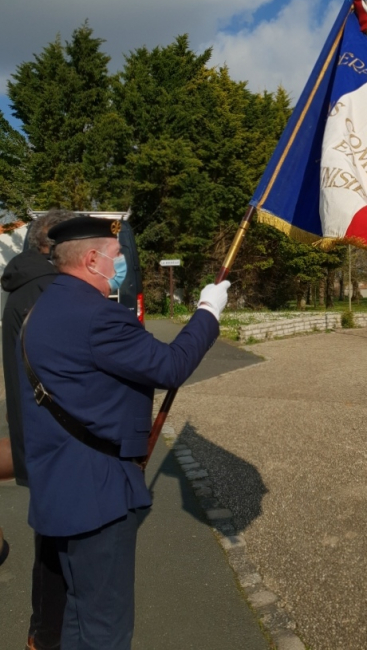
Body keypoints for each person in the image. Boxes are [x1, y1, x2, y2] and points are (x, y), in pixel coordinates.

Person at [19, 216, 229, 650]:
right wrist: (207, 313)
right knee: (105, 630)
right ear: (92, 259)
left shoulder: (46, 305)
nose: (122, 264)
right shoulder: (98, 316)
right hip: (96, 492)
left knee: (79, 614)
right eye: (116, 256)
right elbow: (170, 366)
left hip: (60, 484)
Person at [2, 208, 75, 650]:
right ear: (53, 247)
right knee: (56, 545)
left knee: (55, 538)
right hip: (55, 437)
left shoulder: (29, 284)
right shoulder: (45, 291)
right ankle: (45, 635)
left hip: (40, 431)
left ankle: (45, 633)